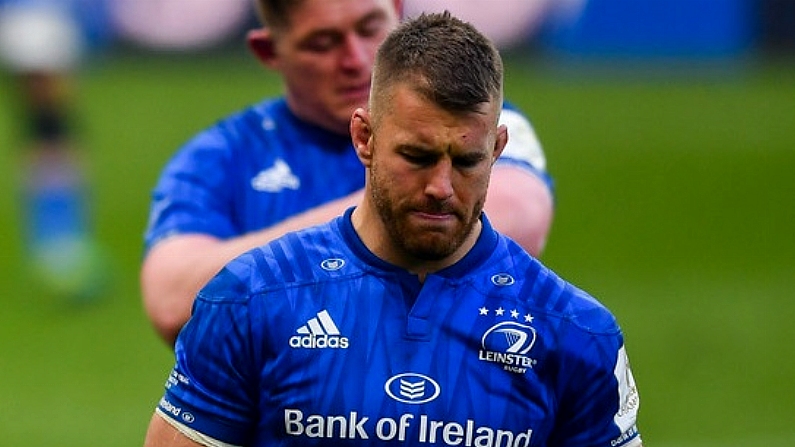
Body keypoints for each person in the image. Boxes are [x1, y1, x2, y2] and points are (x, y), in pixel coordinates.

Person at [143, 11, 642, 447]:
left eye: (467, 161)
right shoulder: (250, 301)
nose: (441, 187)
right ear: (364, 137)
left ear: (498, 148)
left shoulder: (575, 334)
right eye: (417, 157)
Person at [142, 0, 554, 346]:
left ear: (397, 11)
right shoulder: (223, 154)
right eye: (322, 43)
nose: (357, 60)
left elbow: (517, 212)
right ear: (270, 51)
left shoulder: (469, 119)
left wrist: (273, 282)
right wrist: (373, 225)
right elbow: (171, 300)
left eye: (369, 28)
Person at [0, 0, 113, 301]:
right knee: (48, 127)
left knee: (54, 131)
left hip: (50, 17)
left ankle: (62, 243)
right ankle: (57, 245)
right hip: (31, 19)